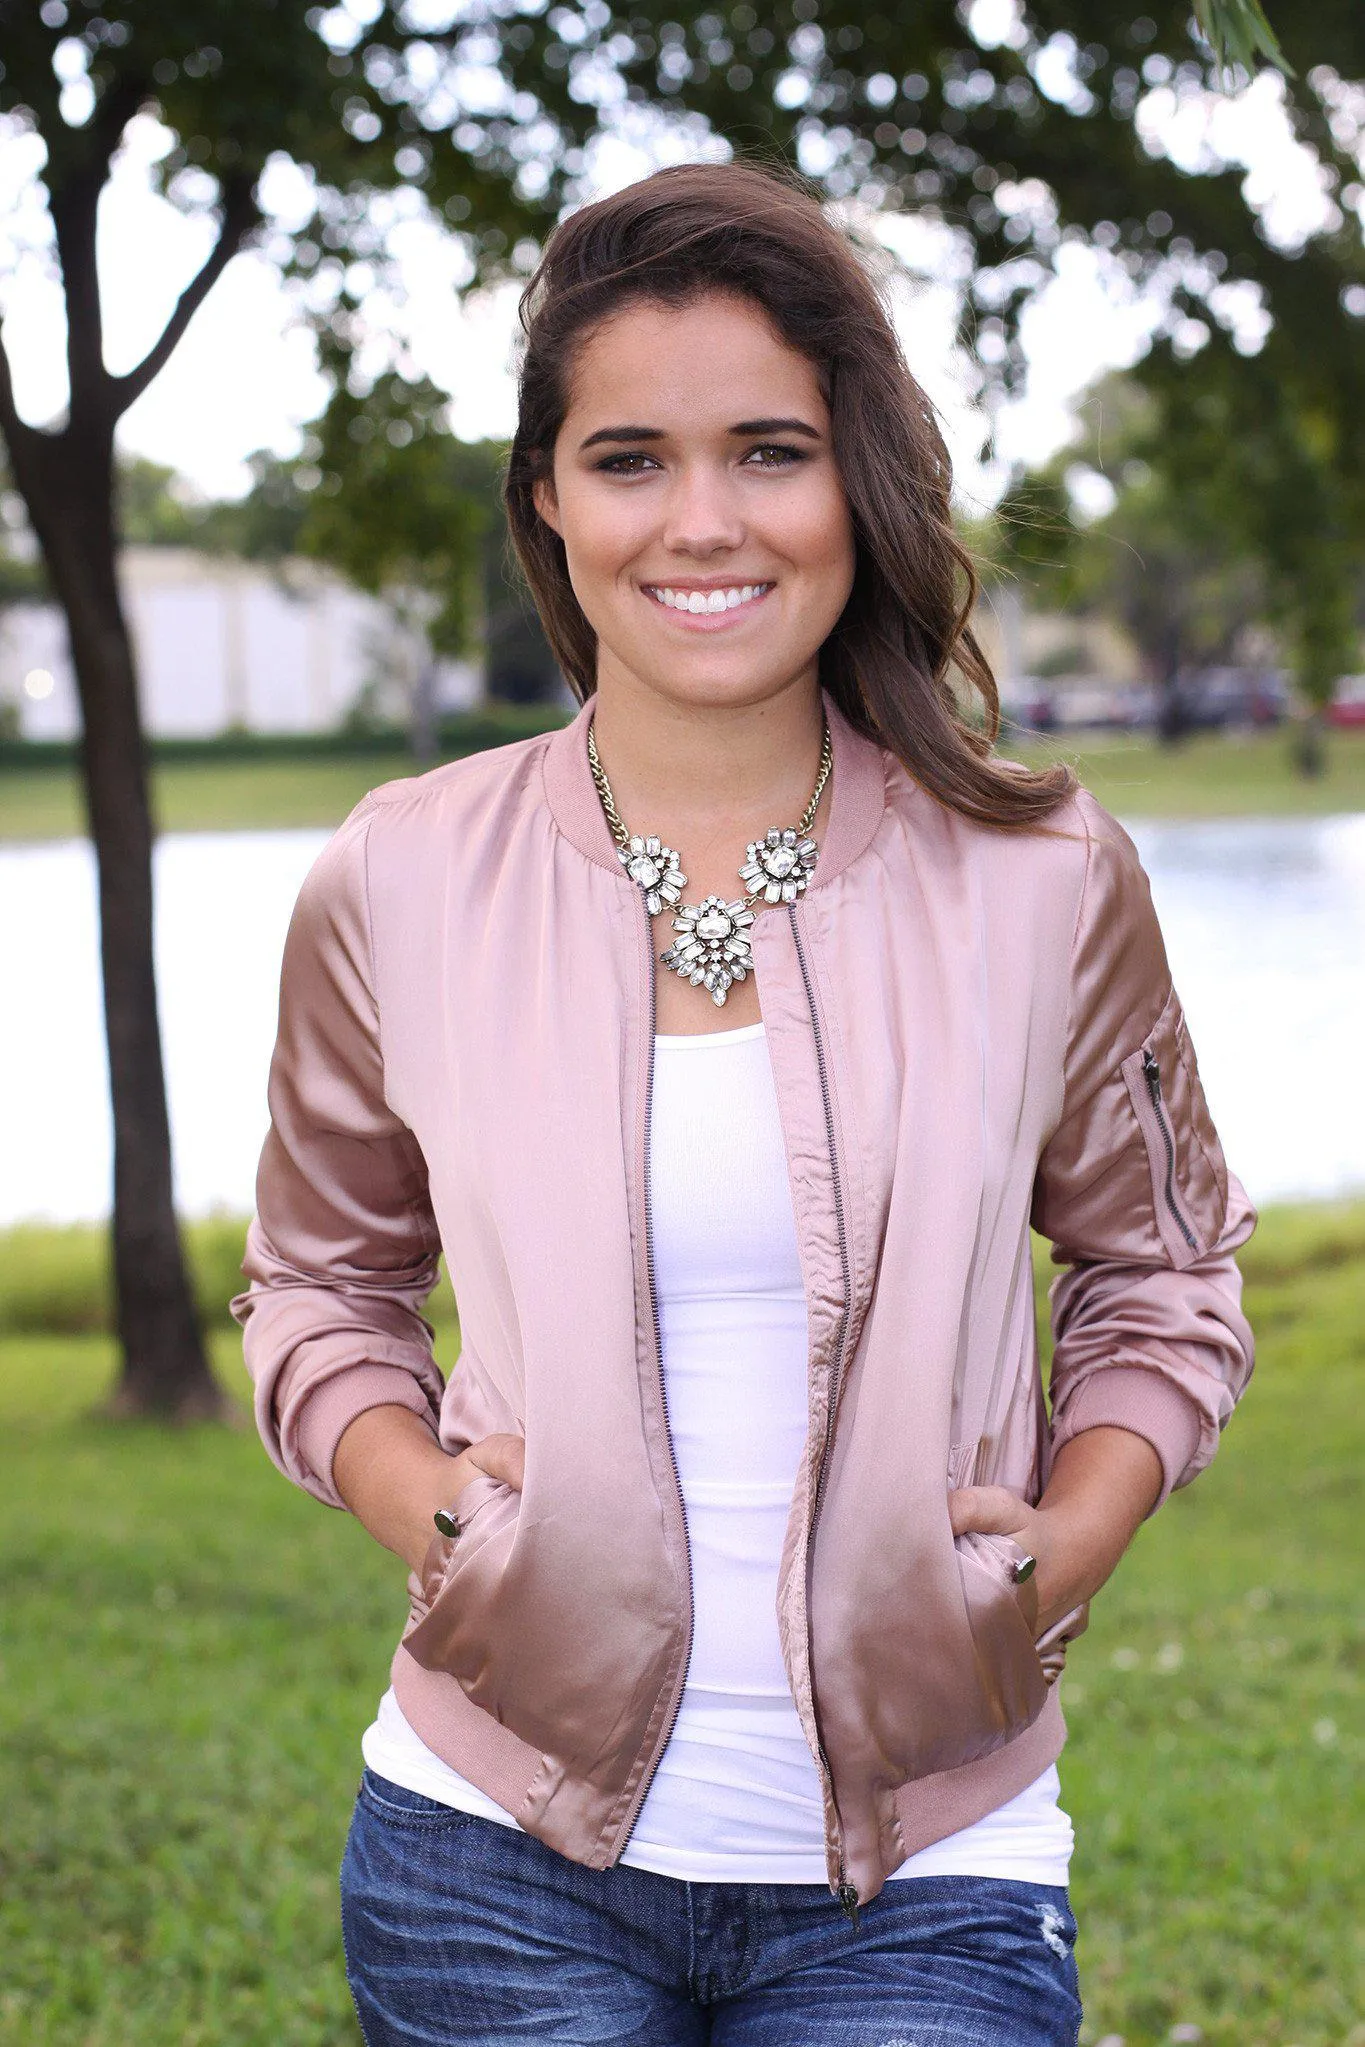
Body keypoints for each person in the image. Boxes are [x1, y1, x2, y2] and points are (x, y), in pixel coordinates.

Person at [233, 161, 1255, 2046]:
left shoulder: (1039, 876)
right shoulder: (403, 873)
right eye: (630, 458)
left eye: (767, 451)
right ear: (548, 494)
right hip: (488, 1856)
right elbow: (315, 1287)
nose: (702, 521)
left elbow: (1165, 1274)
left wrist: (1069, 1540)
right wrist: (431, 1507)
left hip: (929, 1884)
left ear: (853, 482)